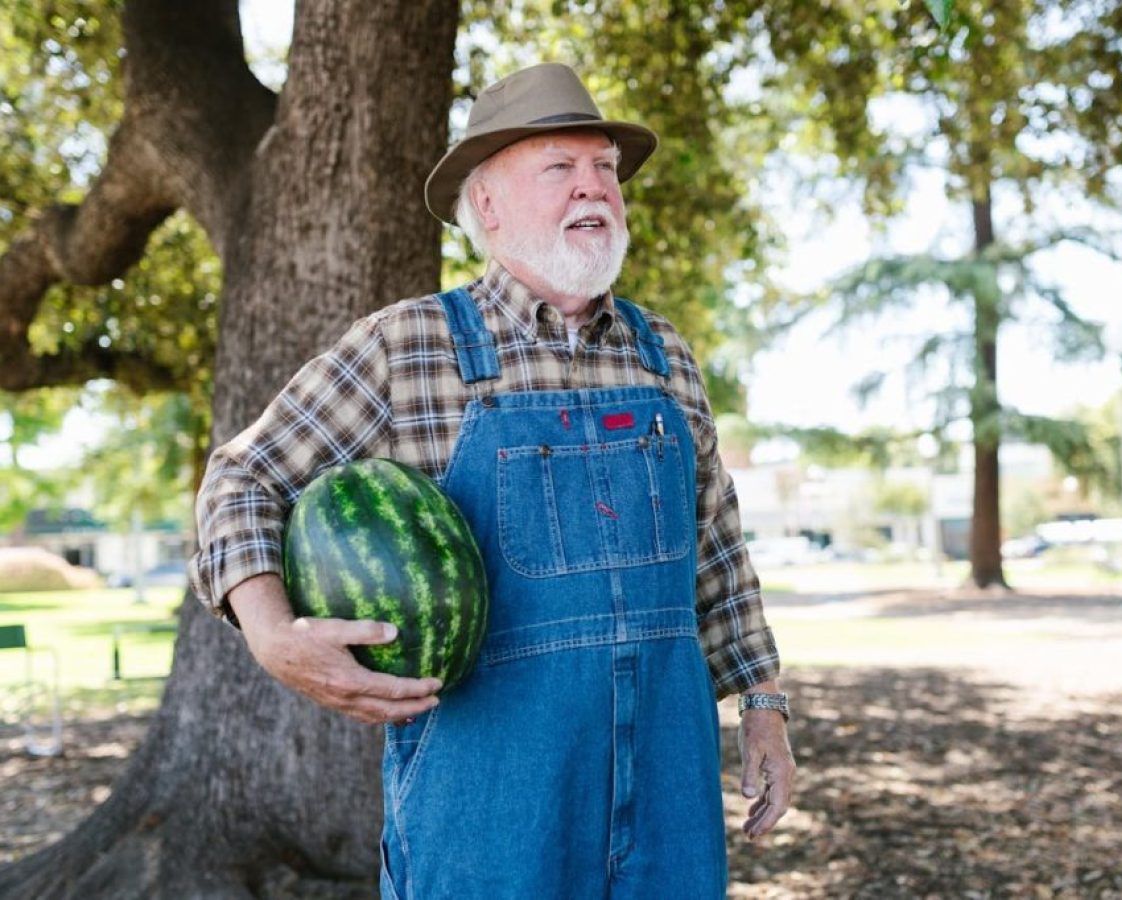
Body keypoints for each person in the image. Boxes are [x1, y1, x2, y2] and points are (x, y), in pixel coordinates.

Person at [190, 62, 795, 898]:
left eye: (605, 168)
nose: (594, 187)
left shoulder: (665, 357)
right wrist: (272, 634)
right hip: (490, 806)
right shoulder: (407, 347)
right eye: (560, 167)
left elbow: (718, 545)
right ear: (487, 203)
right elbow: (241, 479)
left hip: (670, 789)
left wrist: (763, 705)